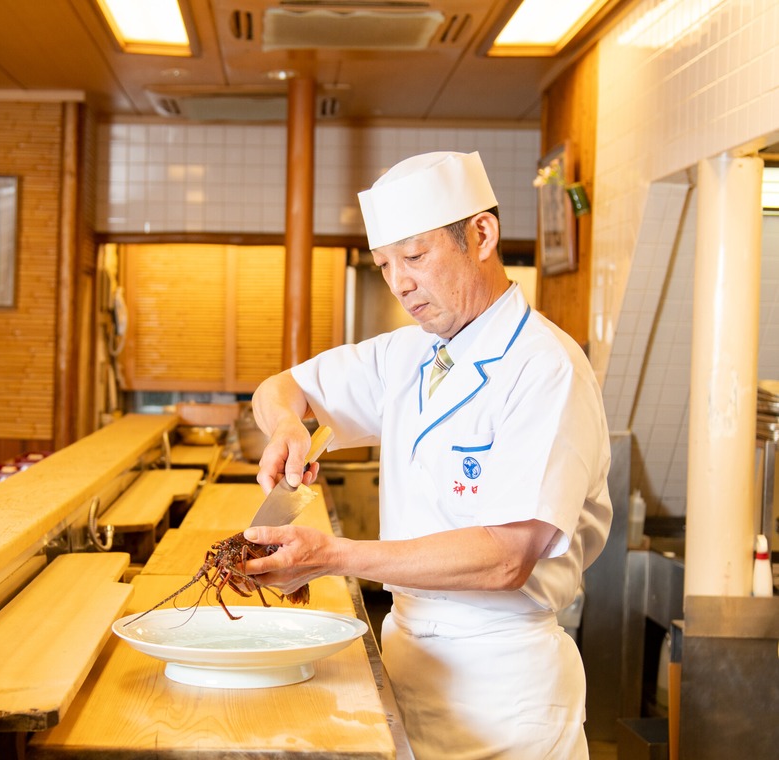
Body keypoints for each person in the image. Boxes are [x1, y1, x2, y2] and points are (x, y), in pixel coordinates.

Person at [242, 151, 612, 759]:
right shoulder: (409, 353)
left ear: (482, 235)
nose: (400, 284)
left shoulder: (546, 367)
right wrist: (286, 423)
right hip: (406, 659)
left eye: (414, 257)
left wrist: (333, 556)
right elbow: (280, 387)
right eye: (385, 265)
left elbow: (505, 559)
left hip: (502, 692)